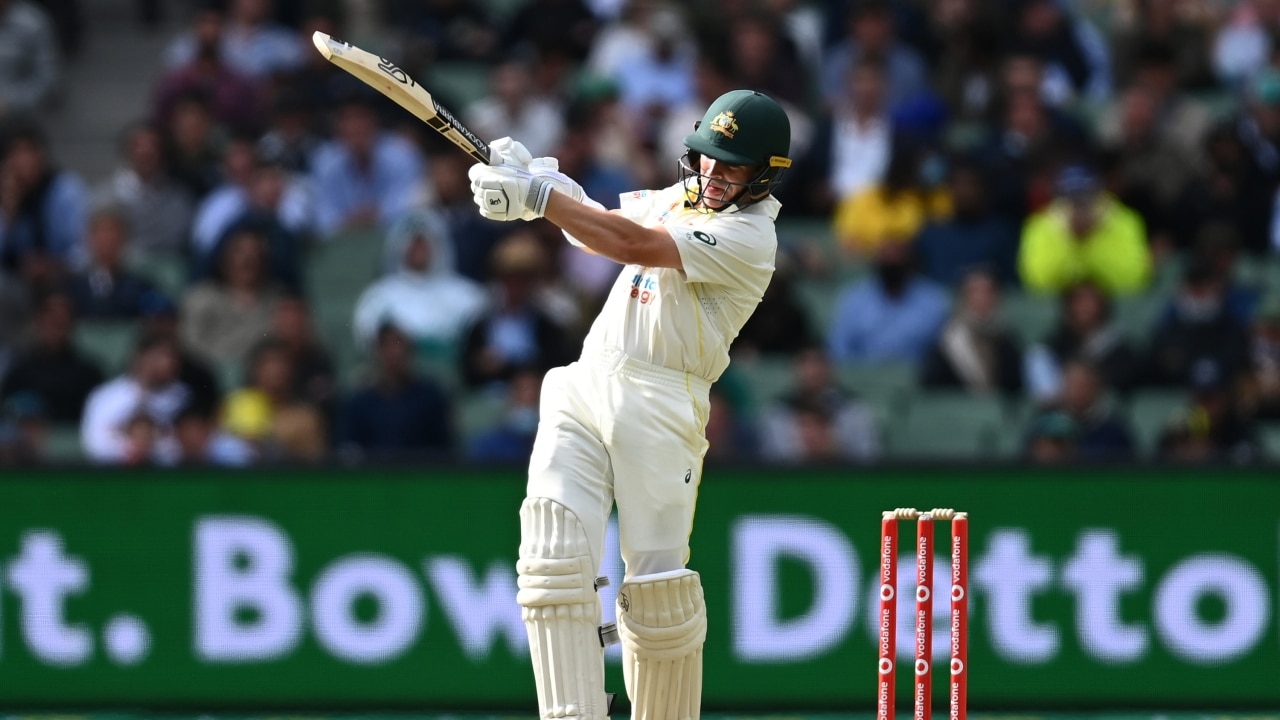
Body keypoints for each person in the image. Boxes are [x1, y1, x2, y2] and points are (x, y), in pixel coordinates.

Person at [467, 89, 792, 720]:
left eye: (731, 167)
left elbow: (634, 246)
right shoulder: (684, 195)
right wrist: (541, 182)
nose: (713, 176)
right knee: (551, 553)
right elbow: (600, 229)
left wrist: (540, 200)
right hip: (589, 378)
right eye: (706, 159)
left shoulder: (751, 238)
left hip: (662, 400)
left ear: (763, 176)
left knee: (656, 595)